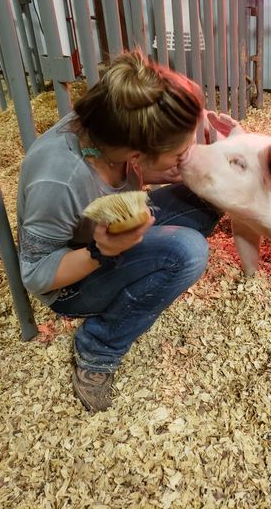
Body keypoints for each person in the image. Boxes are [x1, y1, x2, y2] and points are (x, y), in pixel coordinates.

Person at [16, 50, 221, 412]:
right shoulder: (59, 177)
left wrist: (175, 172)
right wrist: (101, 252)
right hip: (72, 281)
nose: (185, 157)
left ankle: (149, 268)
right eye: (178, 154)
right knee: (187, 253)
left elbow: (124, 179)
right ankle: (98, 348)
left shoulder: (113, 128)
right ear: (137, 155)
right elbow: (36, 275)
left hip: (111, 231)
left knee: (208, 197)